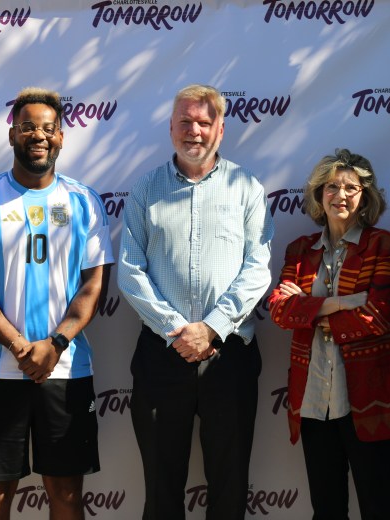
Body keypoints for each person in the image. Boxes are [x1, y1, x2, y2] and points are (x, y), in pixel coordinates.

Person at [0, 87, 113, 520]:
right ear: (12, 135)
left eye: (48, 128)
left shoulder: (84, 201)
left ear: (60, 138)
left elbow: (95, 284)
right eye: (27, 127)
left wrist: (55, 344)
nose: (38, 136)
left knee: (66, 493)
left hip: (66, 371)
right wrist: (20, 346)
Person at [118, 84, 274, 520]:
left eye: (204, 122)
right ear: (171, 127)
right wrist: (178, 332)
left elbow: (258, 267)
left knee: (229, 485)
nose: (194, 131)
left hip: (230, 355)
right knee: (161, 487)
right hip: (161, 355)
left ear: (220, 130)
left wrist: (212, 328)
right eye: (185, 121)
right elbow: (130, 271)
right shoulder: (145, 189)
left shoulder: (246, 187)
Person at [268, 149, 390, 519]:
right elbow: (280, 310)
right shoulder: (300, 250)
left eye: (351, 187)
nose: (340, 195)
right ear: (319, 194)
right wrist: (339, 303)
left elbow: (377, 317)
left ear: (366, 196)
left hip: (369, 398)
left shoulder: (385, 245)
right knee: (326, 509)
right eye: (331, 187)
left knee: (378, 507)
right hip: (314, 401)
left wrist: (309, 309)